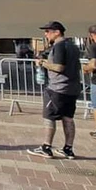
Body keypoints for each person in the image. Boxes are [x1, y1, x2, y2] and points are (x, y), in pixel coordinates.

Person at [28, 21, 82, 159]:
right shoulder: (73, 46)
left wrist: (42, 63)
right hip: (72, 88)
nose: (45, 34)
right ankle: (68, 148)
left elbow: (59, 67)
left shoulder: (59, 46)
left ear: (57, 32)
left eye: (48, 31)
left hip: (57, 88)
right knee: (68, 118)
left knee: (49, 117)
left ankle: (46, 147)